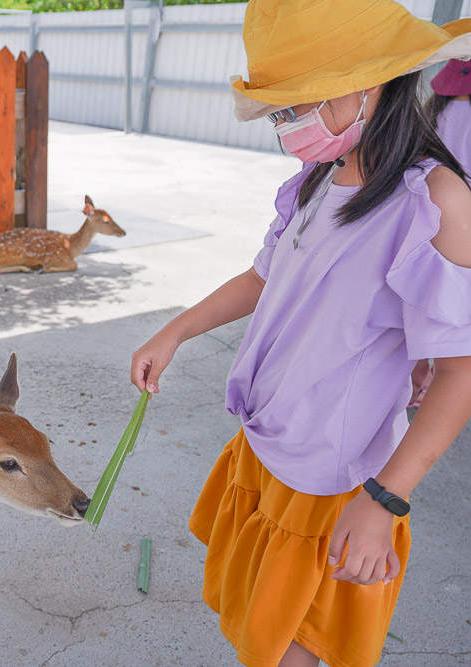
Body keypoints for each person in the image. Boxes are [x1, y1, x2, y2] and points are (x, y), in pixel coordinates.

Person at [129, 2, 471, 666]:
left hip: (336, 480)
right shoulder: (319, 178)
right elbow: (266, 276)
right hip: (269, 440)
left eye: (300, 103)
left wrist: (384, 498)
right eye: (283, 109)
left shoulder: (436, 204)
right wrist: (176, 330)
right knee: (256, 616)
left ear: (372, 81)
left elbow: (460, 373)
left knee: (293, 643)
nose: (289, 124)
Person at [409, 59, 471, 406]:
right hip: (464, 226)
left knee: (420, 306)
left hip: (426, 219)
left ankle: (414, 382)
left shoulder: (432, 113)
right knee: (454, 318)